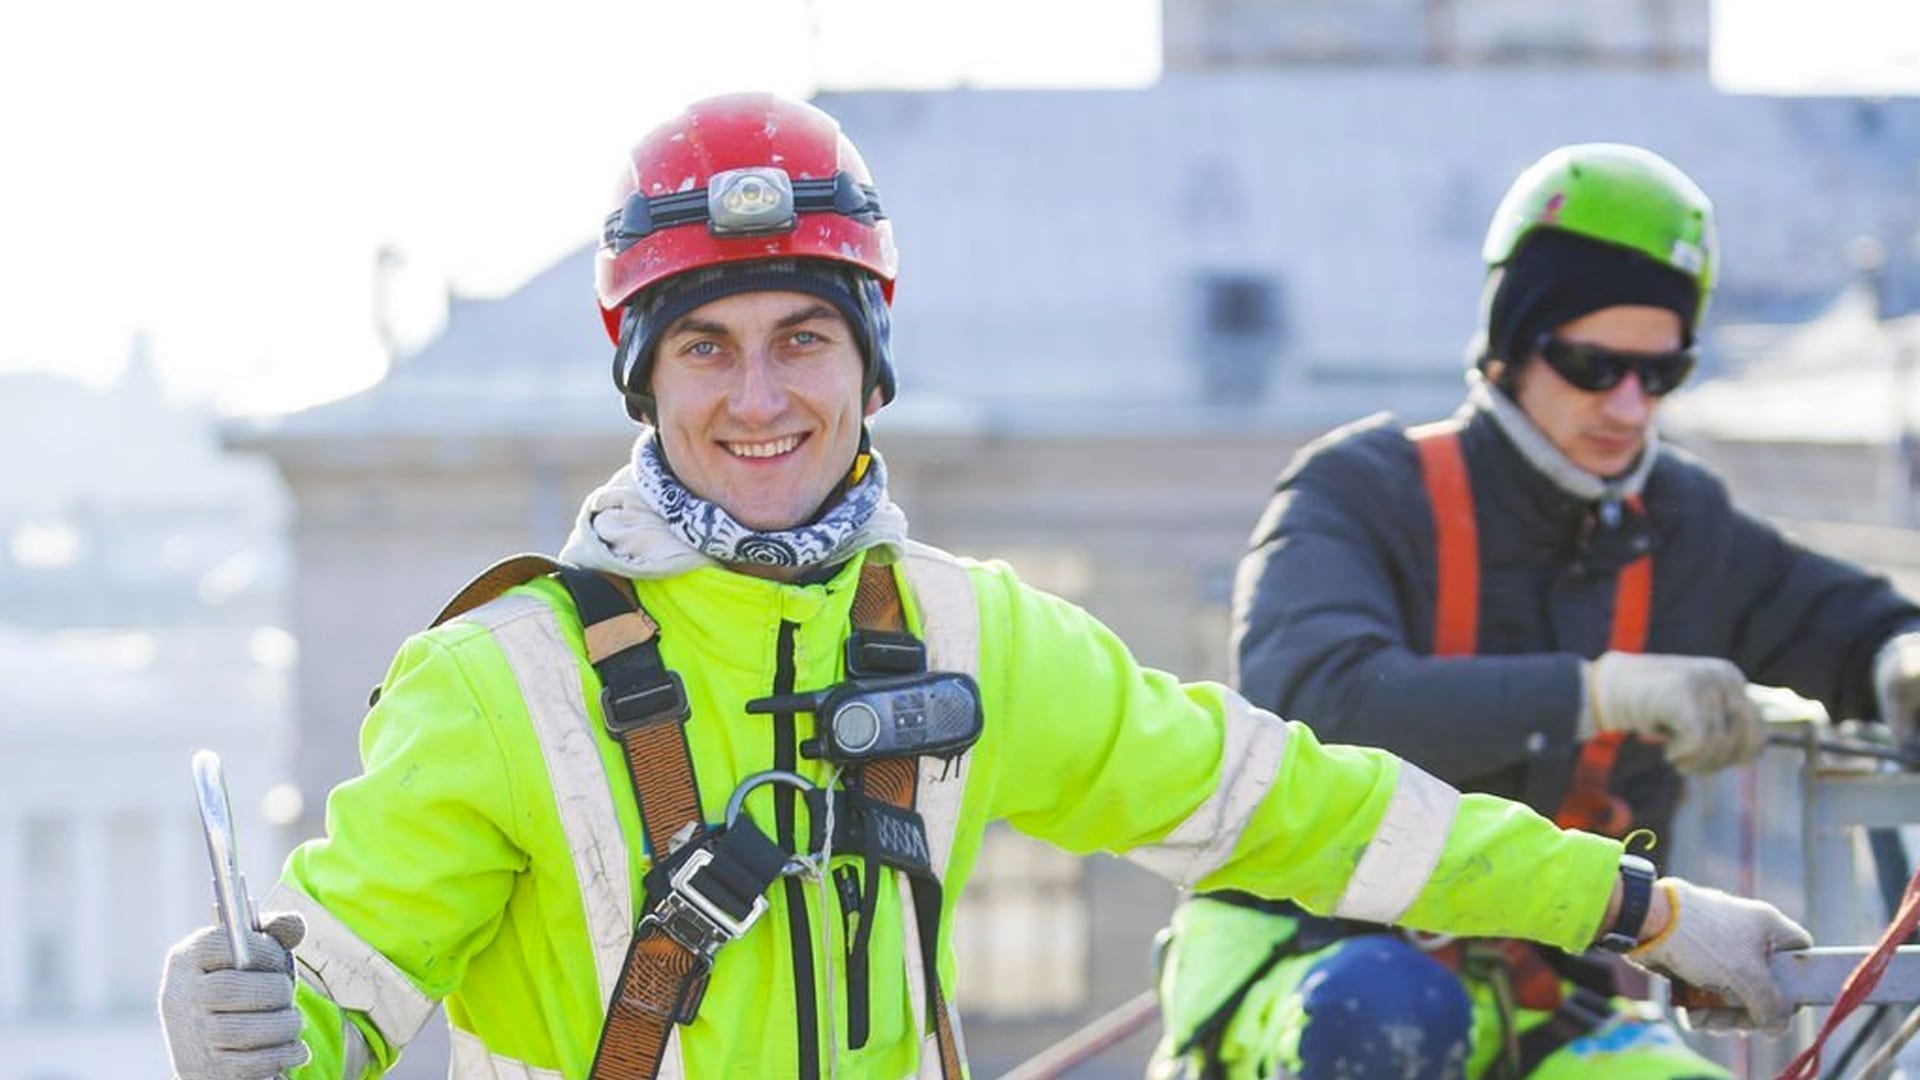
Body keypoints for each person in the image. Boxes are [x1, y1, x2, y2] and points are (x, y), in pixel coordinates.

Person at [159, 103, 1810, 1080]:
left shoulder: (962, 632)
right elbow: (349, 981)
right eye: (706, 349)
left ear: (870, 370)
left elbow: (1300, 808)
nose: (759, 400)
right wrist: (246, 1013)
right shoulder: (503, 677)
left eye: (804, 338)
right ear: (642, 382)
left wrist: (1651, 915)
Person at [1153, 142, 1920, 1080]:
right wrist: (1599, 694)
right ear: (1513, 347)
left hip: (1548, 1006)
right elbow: (1317, 701)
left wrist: (1897, 661)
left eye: (1662, 372)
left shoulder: (1678, 526)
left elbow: (1845, 626)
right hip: (1309, 966)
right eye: (1594, 364)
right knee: (1387, 1016)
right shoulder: (1358, 494)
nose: (1630, 406)